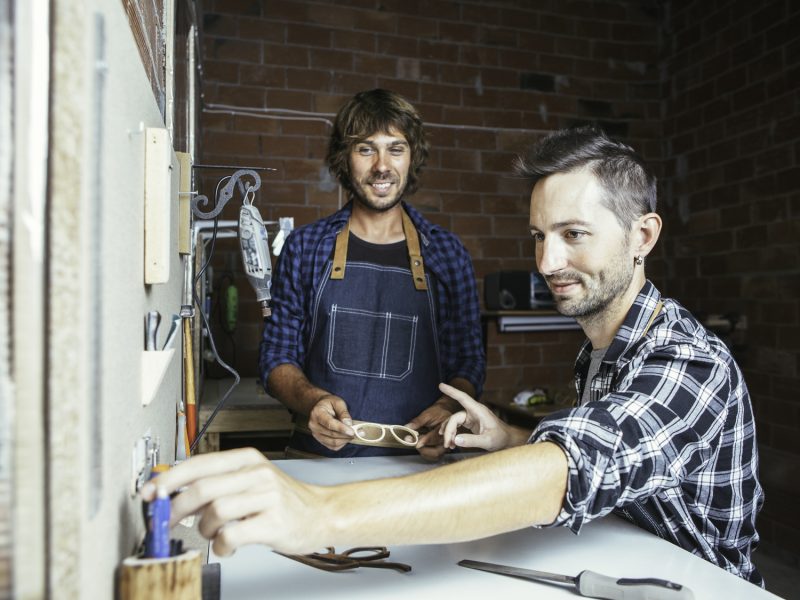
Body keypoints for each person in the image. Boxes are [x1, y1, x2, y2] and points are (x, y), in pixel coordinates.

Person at [146, 127, 763, 585]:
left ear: (643, 237)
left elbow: (569, 470)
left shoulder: (689, 365)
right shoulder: (606, 349)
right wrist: (507, 438)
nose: (547, 263)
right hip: (620, 562)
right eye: (539, 237)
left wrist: (319, 510)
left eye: (574, 235)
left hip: (694, 587)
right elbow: (618, 465)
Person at [259, 89, 485, 459]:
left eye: (395, 149)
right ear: (344, 159)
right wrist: (314, 400)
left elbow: (469, 361)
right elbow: (276, 355)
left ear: (412, 157)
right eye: (366, 149)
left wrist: (446, 408)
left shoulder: (446, 253)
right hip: (319, 460)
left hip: (418, 464)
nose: (382, 165)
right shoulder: (305, 247)